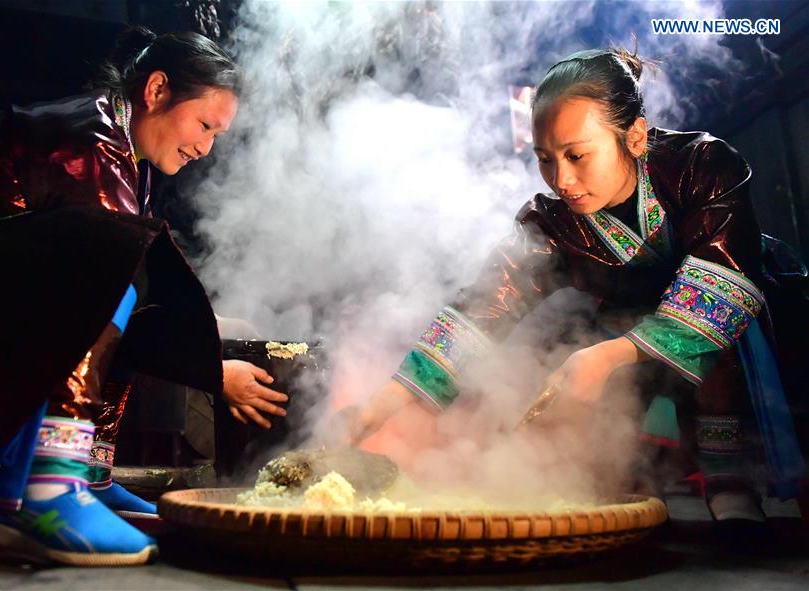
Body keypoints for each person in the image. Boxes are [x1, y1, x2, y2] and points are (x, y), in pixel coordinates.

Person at [346, 48, 808, 527]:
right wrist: (384, 402)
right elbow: (483, 308)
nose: (562, 181)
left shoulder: (703, 164)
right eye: (545, 159)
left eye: (577, 155)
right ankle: (640, 479)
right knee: (594, 454)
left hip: (751, 325)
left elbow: (723, 287)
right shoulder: (549, 223)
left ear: (635, 136)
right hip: (627, 332)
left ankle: (730, 479)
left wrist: (606, 357)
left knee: (713, 362)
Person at [0, 26, 286, 565]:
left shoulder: (122, 149)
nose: (206, 148)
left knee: (129, 275)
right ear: (156, 90)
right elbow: (96, 283)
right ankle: (49, 487)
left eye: (216, 136)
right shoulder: (88, 141)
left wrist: (206, 341)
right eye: (205, 125)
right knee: (110, 264)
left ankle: (86, 473)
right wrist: (213, 371)